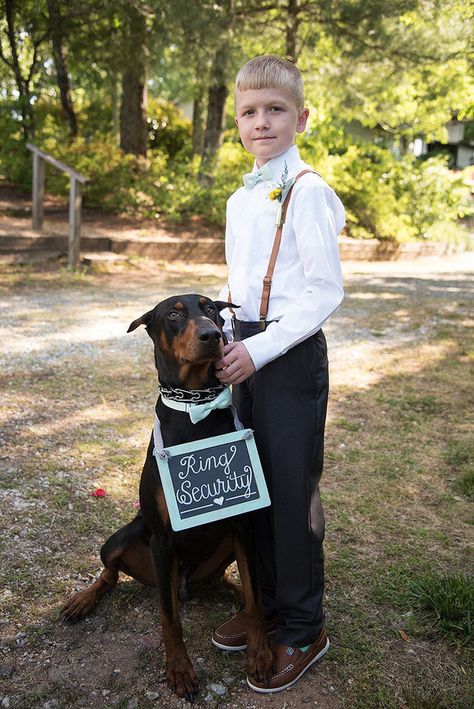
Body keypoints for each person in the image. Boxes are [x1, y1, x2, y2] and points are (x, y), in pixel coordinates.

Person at [213, 54, 345, 693]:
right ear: (235, 120)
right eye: (248, 112)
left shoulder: (310, 191)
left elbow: (323, 293)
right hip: (243, 347)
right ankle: (263, 602)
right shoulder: (243, 196)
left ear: (301, 117)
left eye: (275, 110)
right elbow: (239, 279)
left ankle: (302, 625)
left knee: (291, 494)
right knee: (251, 486)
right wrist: (222, 333)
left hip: (287, 356)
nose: (260, 122)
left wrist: (260, 351)